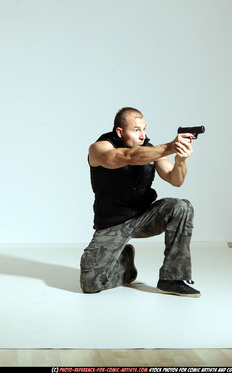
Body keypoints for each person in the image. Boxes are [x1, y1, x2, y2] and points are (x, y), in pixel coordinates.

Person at [80, 107, 200, 297]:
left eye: (144, 129)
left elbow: (175, 180)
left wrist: (180, 160)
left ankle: (172, 278)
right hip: (113, 222)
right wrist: (170, 146)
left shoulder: (152, 150)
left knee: (181, 206)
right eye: (136, 130)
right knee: (91, 284)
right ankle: (125, 264)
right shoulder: (100, 148)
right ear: (120, 131)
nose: (143, 135)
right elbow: (127, 157)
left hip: (144, 218)